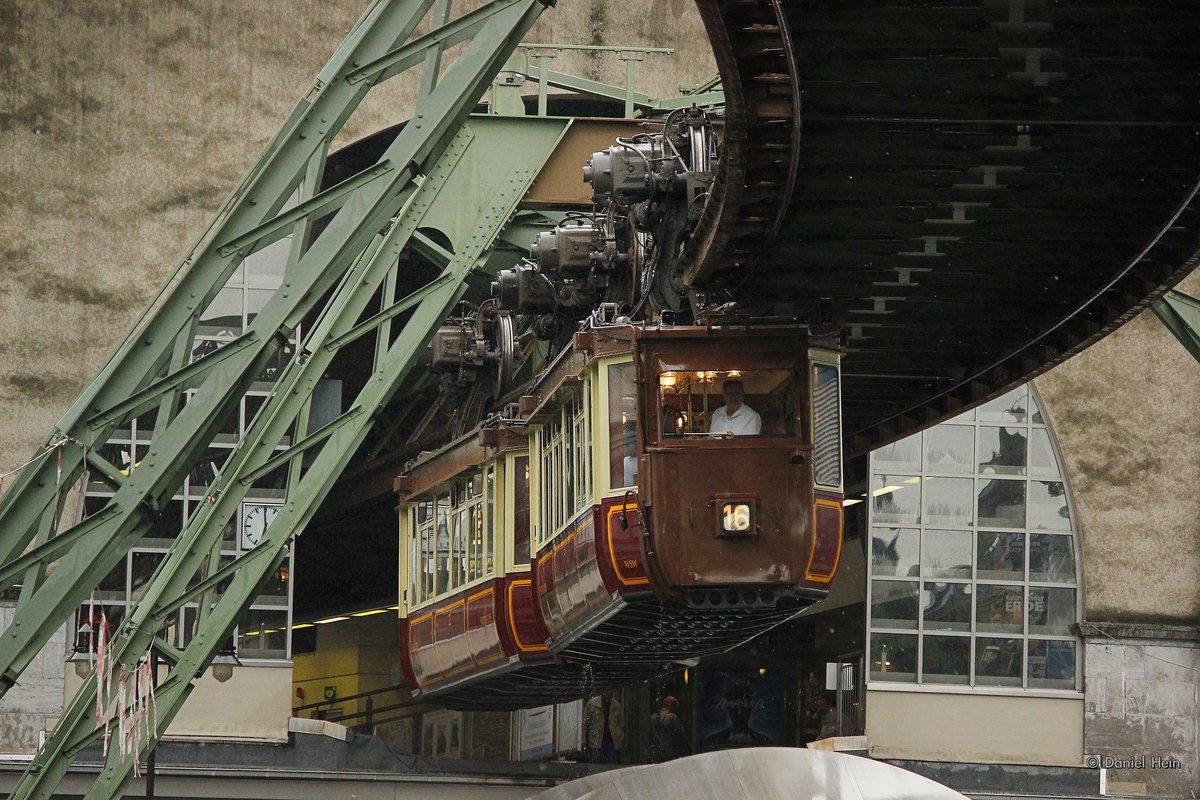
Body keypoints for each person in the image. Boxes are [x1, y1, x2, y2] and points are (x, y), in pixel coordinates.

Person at [583, 690, 624, 764]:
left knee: (611, 766)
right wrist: (583, 740)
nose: (607, 692)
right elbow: (585, 723)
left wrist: (620, 737)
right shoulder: (592, 704)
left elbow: (621, 723)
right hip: (596, 741)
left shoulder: (616, 706)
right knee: (595, 765)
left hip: (612, 741)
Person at [648, 695, 688, 762]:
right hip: (669, 751)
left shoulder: (653, 717)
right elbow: (681, 733)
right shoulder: (672, 717)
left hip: (655, 751)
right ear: (671, 706)